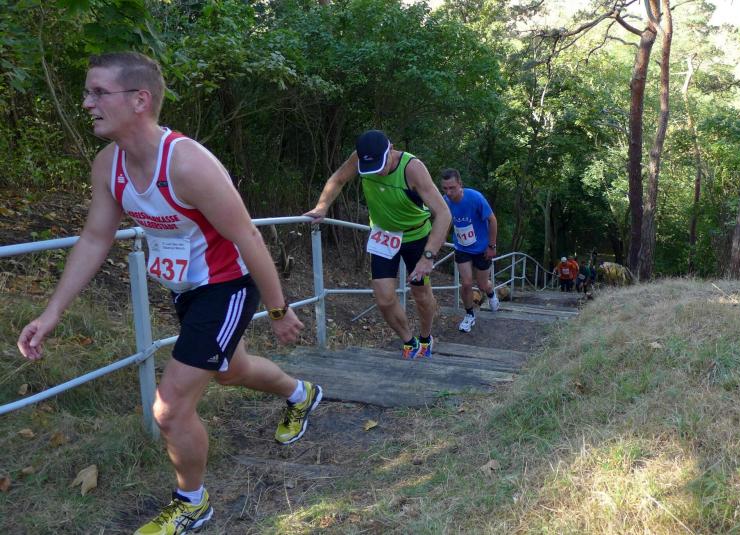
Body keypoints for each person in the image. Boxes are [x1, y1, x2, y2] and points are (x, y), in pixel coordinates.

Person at [15, 52, 322, 535]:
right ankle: (301, 394)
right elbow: (95, 238)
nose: (87, 103)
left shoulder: (187, 164)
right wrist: (52, 312)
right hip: (185, 288)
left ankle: (192, 503)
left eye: (99, 92)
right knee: (231, 371)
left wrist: (279, 309)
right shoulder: (108, 165)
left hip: (226, 285)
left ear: (140, 100)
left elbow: (248, 236)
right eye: (87, 92)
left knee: (170, 407)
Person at [305, 130, 451, 359]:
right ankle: (409, 341)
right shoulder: (360, 157)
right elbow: (338, 178)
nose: (377, 172)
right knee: (383, 298)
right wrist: (322, 206)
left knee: (421, 294)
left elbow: (444, 213)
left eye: (381, 165)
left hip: (416, 237)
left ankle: (426, 337)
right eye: (371, 168)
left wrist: (428, 257)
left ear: (390, 149)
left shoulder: (412, 168)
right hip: (384, 236)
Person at [440, 169, 499, 333]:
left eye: (452, 188)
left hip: (482, 248)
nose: (448, 192)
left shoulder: (475, 198)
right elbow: (447, 219)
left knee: (482, 284)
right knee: (466, 283)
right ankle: (469, 315)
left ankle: (491, 293)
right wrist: (442, 236)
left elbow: (493, 220)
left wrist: (492, 246)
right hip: (462, 247)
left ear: (460, 184)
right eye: (445, 188)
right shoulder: (445, 201)